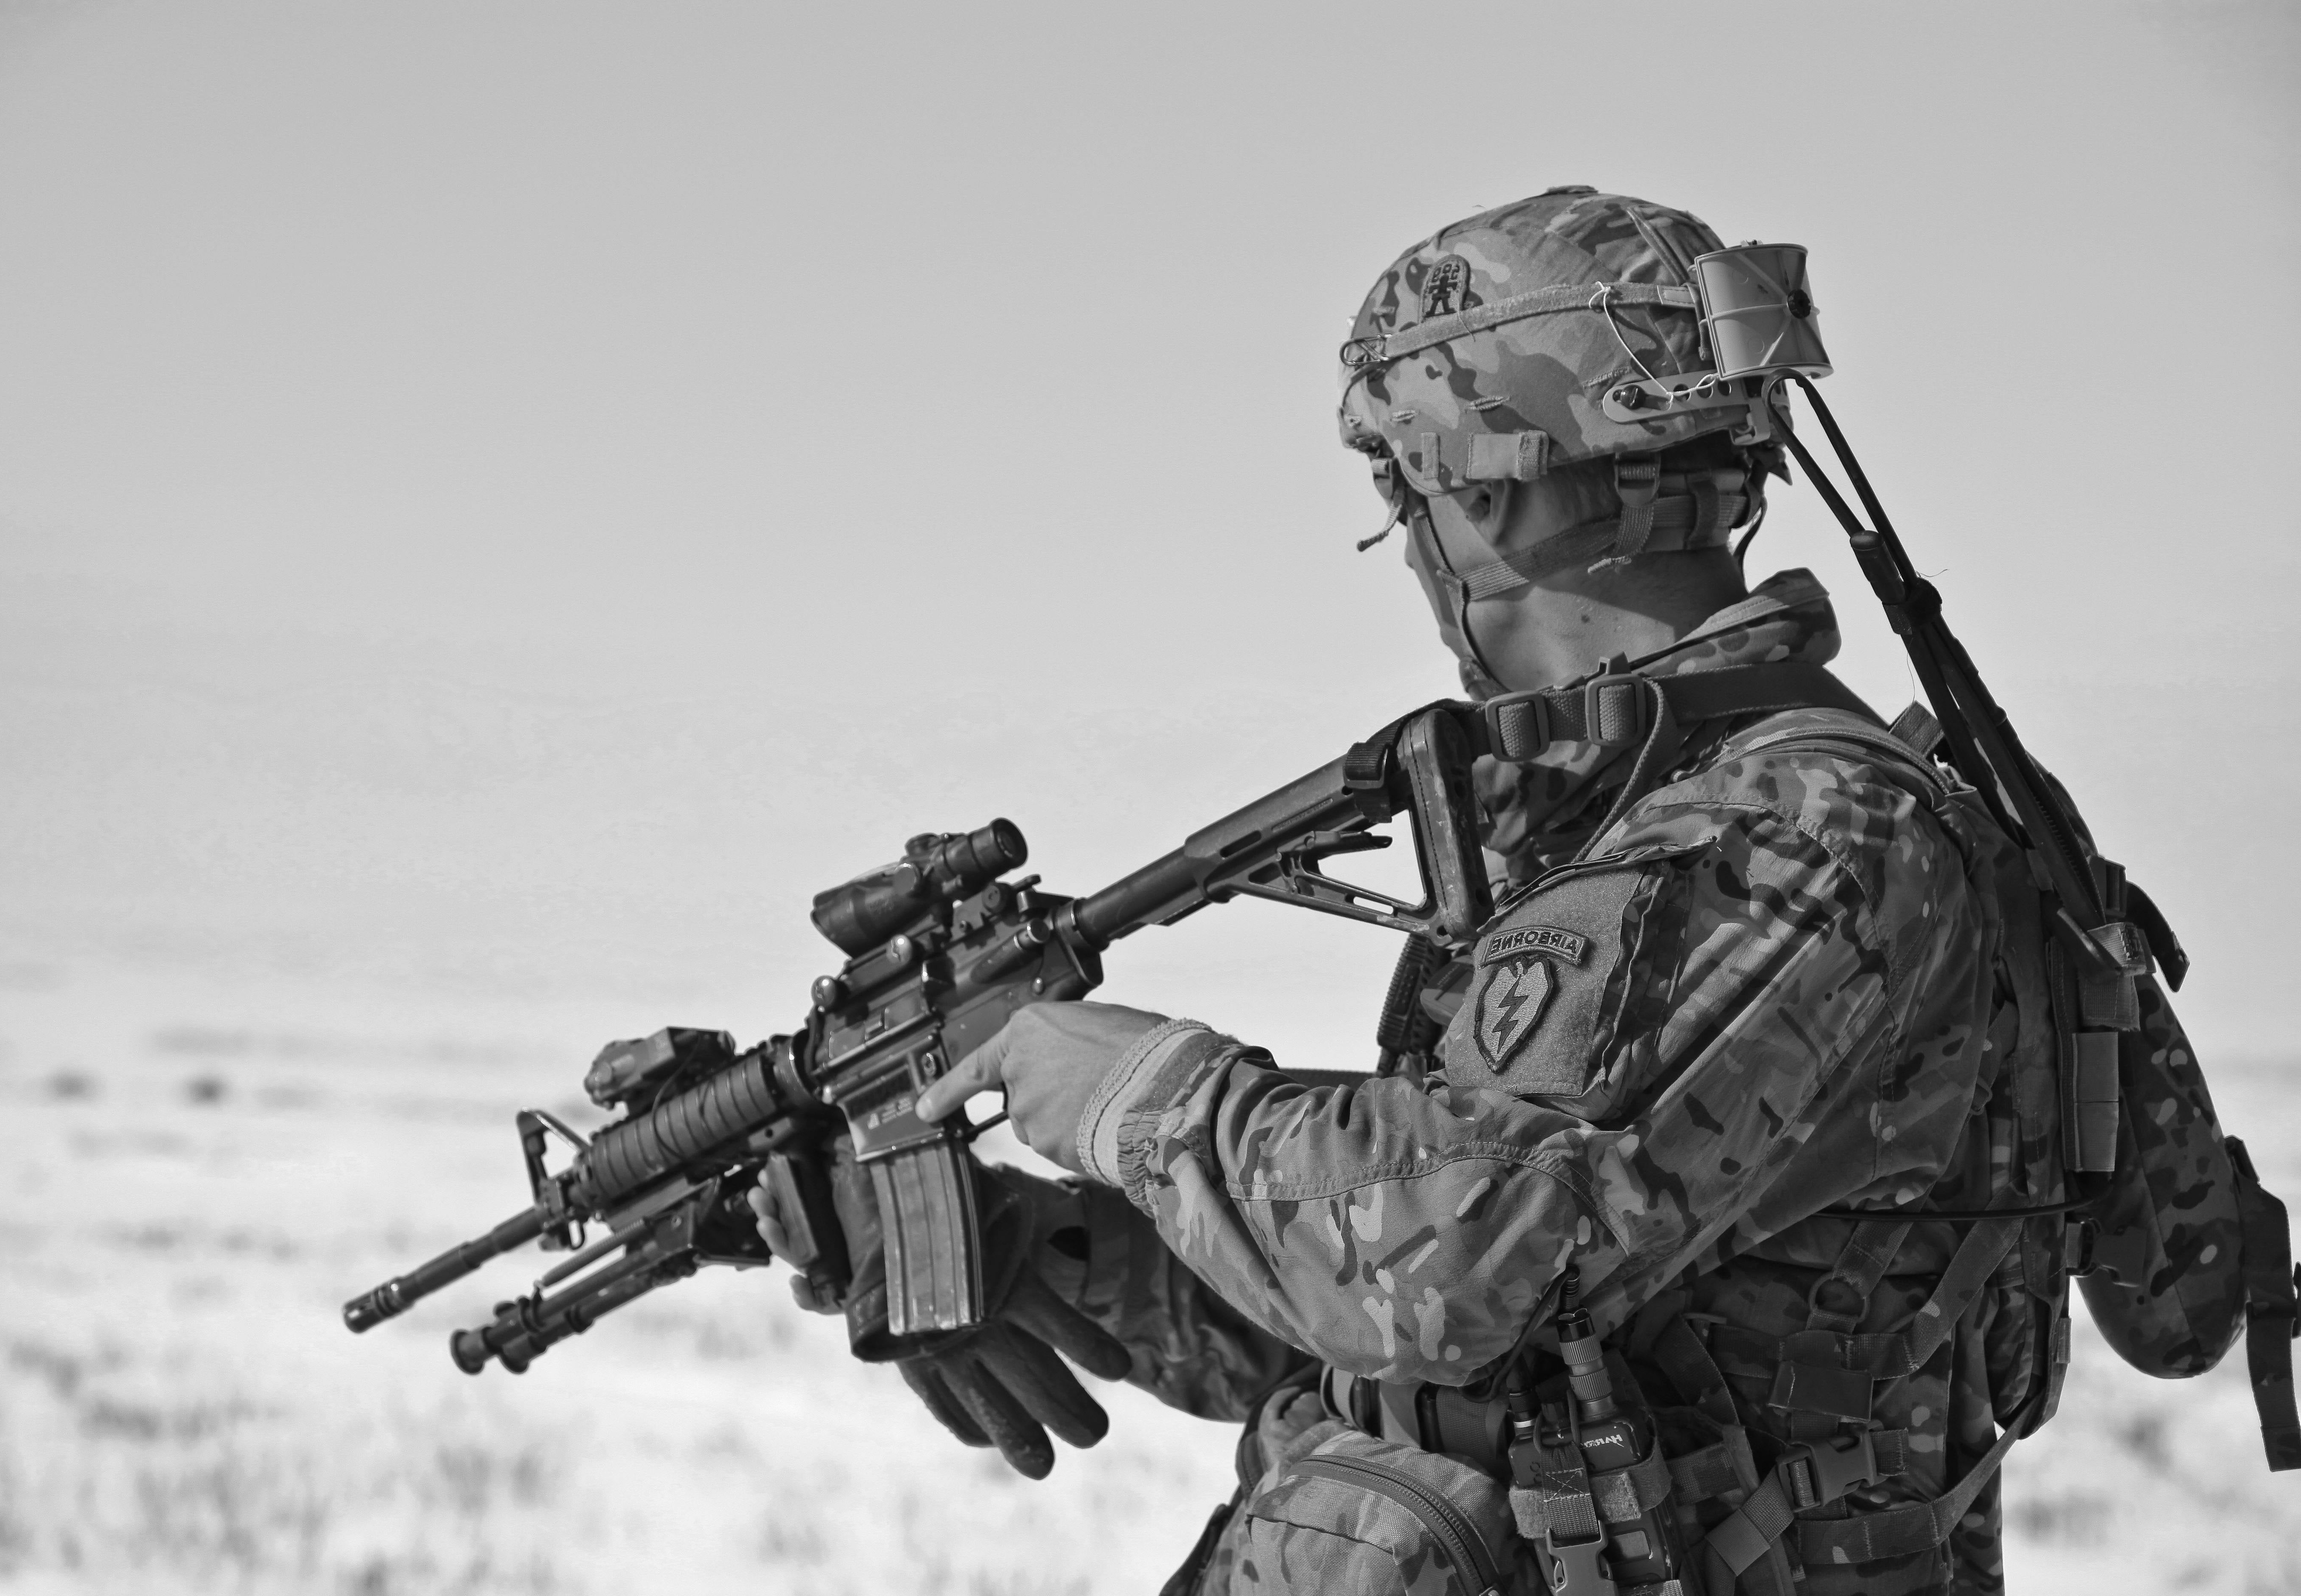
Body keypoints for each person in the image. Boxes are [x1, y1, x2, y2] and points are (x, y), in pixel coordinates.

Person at [760, 189, 2069, 1596]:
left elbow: (1452, 1261)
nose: (1415, 545)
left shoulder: (1798, 825)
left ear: (1494, 489)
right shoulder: (1620, 818)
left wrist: (1135, 1097)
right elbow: (1420, 1353)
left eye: (1408, 490)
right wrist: (1029, 1250)